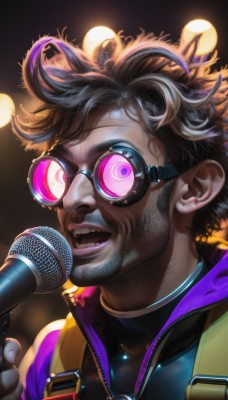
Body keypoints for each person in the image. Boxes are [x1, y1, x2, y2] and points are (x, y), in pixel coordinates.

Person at [0, 28, 227, 400]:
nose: (73, 199)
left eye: (117, 171)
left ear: (194, 189)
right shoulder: (49, 357)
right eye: (60, 174)